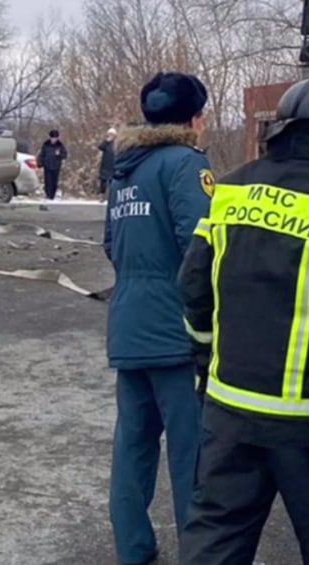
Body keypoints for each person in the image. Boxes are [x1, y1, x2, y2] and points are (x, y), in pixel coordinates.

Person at [177, 73, 309, 565]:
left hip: (229, 413)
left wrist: (208, 357)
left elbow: (193, 286)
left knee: (213, 543)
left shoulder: (230, 190)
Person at [103, 72, 214, 565]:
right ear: (195, 119)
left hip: (129, 326)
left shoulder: (125, 169)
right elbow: (203, 245)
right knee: (191, 454)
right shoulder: (186, 165)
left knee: (133, 448)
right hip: (176, 330)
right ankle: (200, 552)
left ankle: (134, 552)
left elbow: (111, 245)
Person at [38, 129, 68, 200]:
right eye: (52, 138)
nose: (54, 140)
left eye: (55, 138)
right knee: (48, 181)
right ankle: (48, 194)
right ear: (50, 137)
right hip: (47, 165)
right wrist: (40, 162)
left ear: (57, 138)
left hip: (56, 166)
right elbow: (42, 154)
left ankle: (52, 195)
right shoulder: (46, 144)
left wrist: (59, 155)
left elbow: (64, 155)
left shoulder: (60, 145)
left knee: (54, 181)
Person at [98, 128, 117, 196]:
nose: (110, 136)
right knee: (103, 181)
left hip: (113, 165)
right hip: (105, 165)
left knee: (113, 182)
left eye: (112, 134)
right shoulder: (106, 143)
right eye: (109, 134)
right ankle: (102, 195)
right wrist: (106, 141)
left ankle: (112, 195)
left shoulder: (116, 143)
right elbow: (100, 147)